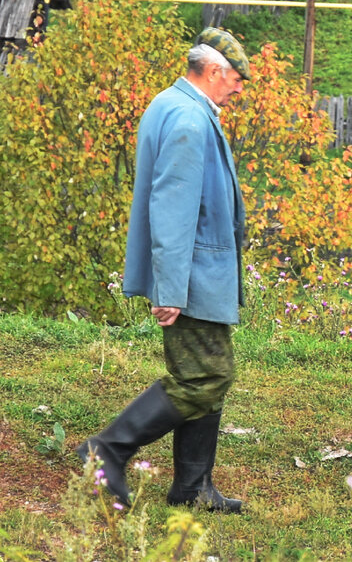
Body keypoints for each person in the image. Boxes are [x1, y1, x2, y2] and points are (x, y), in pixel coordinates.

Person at [77, 27, 250, 514]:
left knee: (204, 373)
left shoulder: (171, 103)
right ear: (214, 72)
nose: (240, 88)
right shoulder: (189, 121)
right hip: (193, 274)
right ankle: (107, 450)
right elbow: (172, 209)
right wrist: (171, 289)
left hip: (198, 271)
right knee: (204, 377)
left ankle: (192, 489)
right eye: (237, 78)